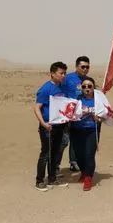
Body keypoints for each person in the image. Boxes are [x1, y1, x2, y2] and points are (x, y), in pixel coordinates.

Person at [33, 61, 69, 191]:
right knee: (45, 153)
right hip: (48, 126)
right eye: (61, 73)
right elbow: (37, 108)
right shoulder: (45, 89)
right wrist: (43, 123)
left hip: (59, 125)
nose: (63, 75)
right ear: (53, 74)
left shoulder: (62, 88)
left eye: (65, 73)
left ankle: (52, 179)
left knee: (55, 153)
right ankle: (39, 181)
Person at [61, 56, 91, 172]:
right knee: (63, 141)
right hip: (67, 114)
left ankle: (74, 162)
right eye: (83, 67)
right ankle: (55, 166)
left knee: (77, 139)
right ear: (76, 66)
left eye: (87, 67)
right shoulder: (68, 79)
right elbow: (59, 93)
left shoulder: (88, 80)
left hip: (81, 115)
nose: (85, 69)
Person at [70, 77, 101, 191]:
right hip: (77, 130)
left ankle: (88, 177)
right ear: (81, 88)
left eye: (89, 86)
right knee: (79, 155)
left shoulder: (98, 100)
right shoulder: (77, 100)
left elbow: (105, 115)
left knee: (89, 155)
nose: (87, 88)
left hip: (91, 130)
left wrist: (98, 118)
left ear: (94, 87)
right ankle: (83, 172)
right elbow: (69, 112)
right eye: (84, 86)